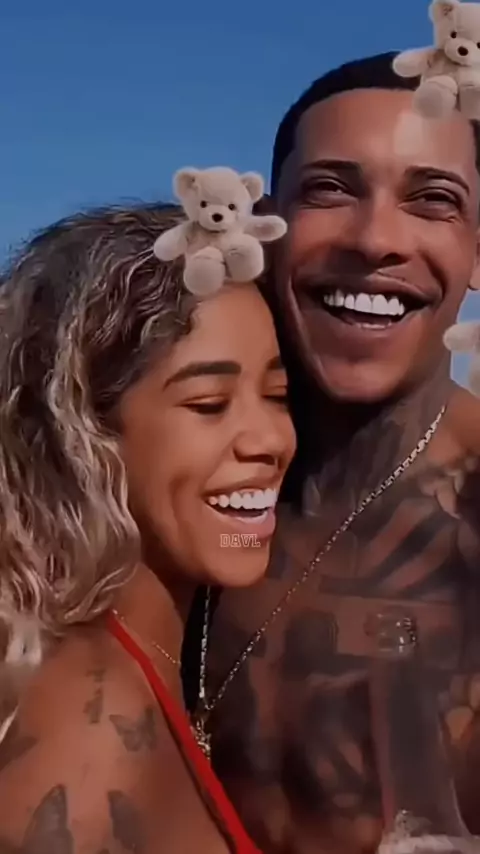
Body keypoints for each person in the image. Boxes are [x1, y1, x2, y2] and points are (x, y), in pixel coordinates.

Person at [200, 52, 480, 854]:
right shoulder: (164, 473)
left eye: (434, 200)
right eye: (330, 189)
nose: (375, 239)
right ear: (265, 227)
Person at [0, 201, 296, 852]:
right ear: (82, 435)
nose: (271, 439)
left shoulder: (154, 657)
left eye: (278, 395)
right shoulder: (89, 736)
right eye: (209, 404)